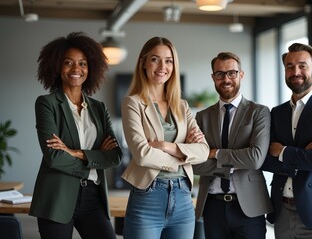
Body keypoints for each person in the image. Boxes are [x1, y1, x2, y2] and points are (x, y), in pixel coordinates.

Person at [29, 32, 122, 239]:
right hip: (57, 196)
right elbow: (54, 158)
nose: (76, 69)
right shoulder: (46, 104)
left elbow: (115, 156)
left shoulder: (99, 108)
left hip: (93, 198)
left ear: (91, 68)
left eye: (82, 64)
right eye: (68, 63)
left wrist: (77, 153)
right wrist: (95, 157)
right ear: (56, 66)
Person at [120, 36, 209, 239]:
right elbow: (142, 154)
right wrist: (185, 154)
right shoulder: (132, 103)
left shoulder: (182, 105)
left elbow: (203, 151)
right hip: (147, 198)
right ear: (143, 63)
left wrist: (166, 146)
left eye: (168, 60)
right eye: (155, 59)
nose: (162, 66)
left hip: (183, 198)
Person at [261, 42, 312, 238]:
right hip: (281, 210)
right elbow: (265, 160)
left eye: (302, 65)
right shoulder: (277, 112)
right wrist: (304, 156)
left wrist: (282, 152)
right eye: (289, 66)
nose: (295, 71)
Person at [192, 52, 273, 239]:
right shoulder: (202, 117)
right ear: (213, 77)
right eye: (220, 74)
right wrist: (234, 161)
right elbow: (195, 164)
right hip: (212, 206)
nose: (226, 79)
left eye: (232, 73)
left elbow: (255, 158)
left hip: (249, 208)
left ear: (241, 75)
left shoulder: (258, 112)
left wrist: (215, 154)